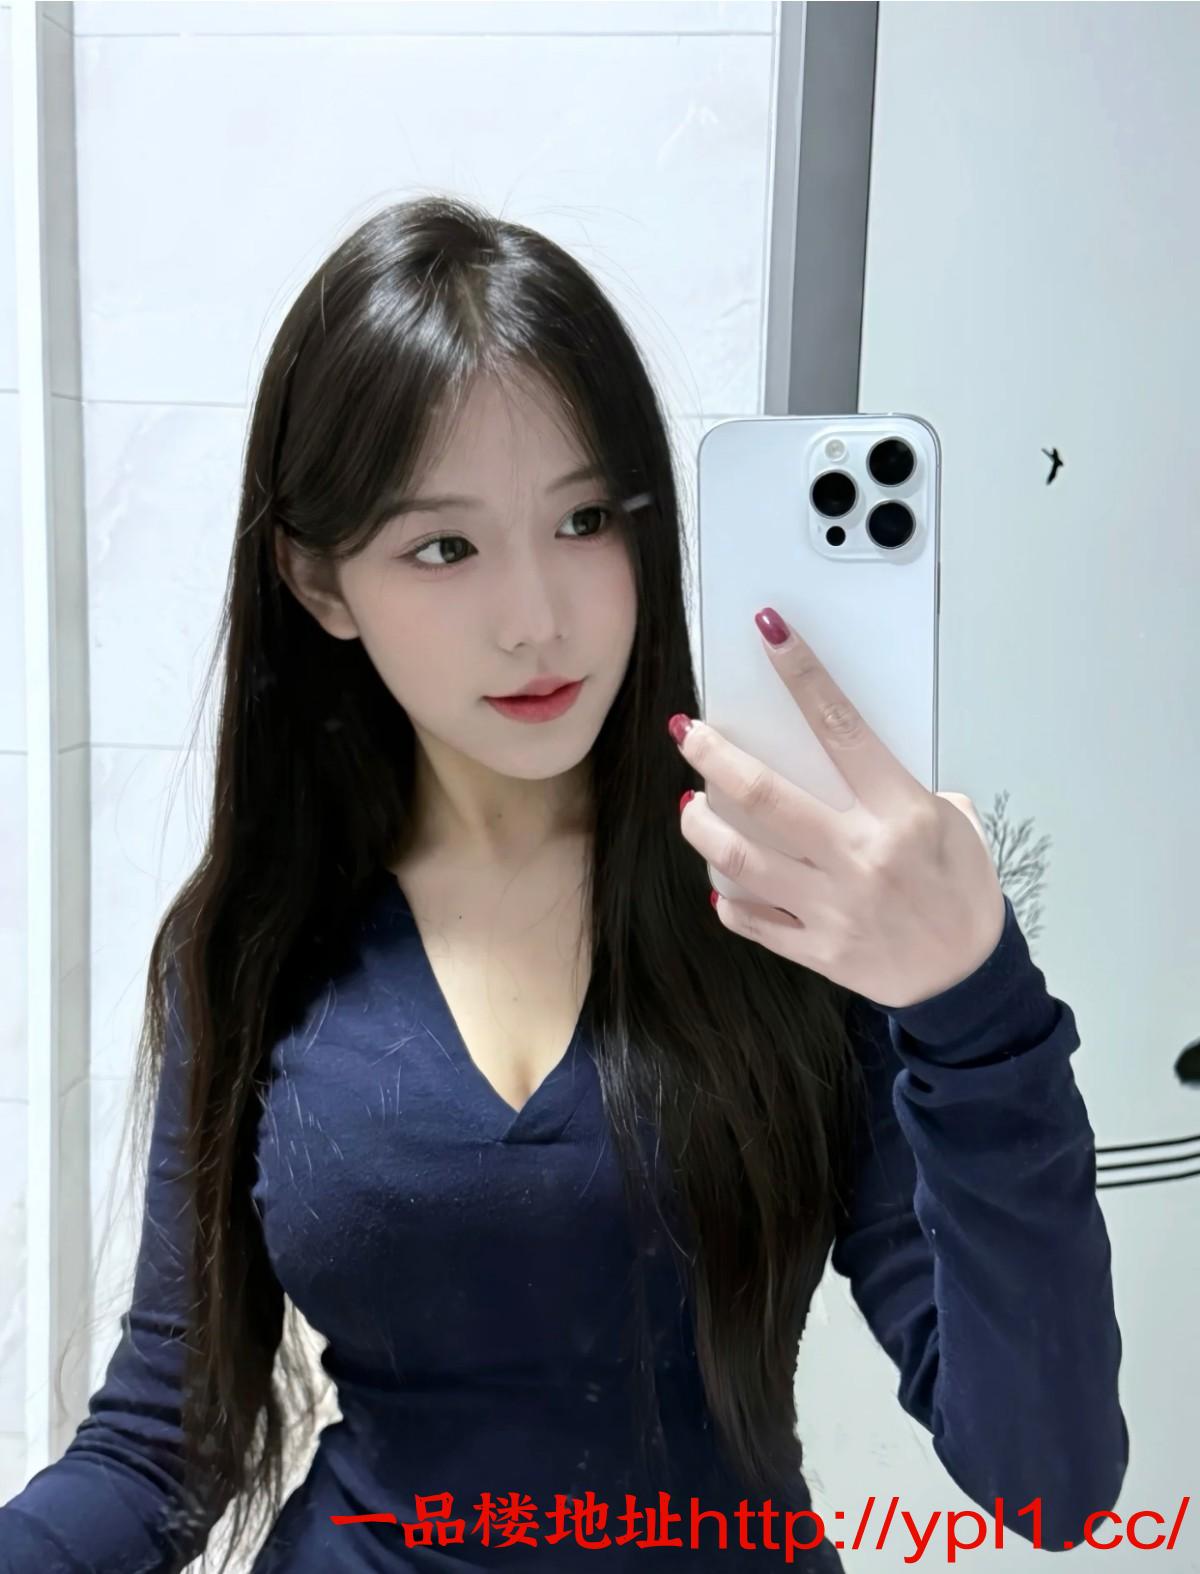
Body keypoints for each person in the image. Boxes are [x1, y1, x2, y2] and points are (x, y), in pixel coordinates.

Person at [1, 196, 1128, 1573]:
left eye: (587, 518)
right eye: (445, 545)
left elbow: (1048, 1479)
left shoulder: (791, 905)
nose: (537, 618)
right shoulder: (253, 939)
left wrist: (972, 1002)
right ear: (319, 580)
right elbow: (161, 1446)